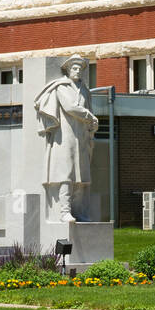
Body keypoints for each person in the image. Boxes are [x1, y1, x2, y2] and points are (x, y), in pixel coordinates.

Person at [34, 53, 99, 222]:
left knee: (81, 176)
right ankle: (64, 212)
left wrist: (92, 124)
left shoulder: (85, 90)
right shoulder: (62, 87)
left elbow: (90, 110)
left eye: (80, 69)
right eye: (74, 68)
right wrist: (89, 116)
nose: (77, 71)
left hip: (81, 136)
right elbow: (70, 106)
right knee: (66, 173)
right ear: (68, 70)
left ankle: (79, 212)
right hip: (65, 136)